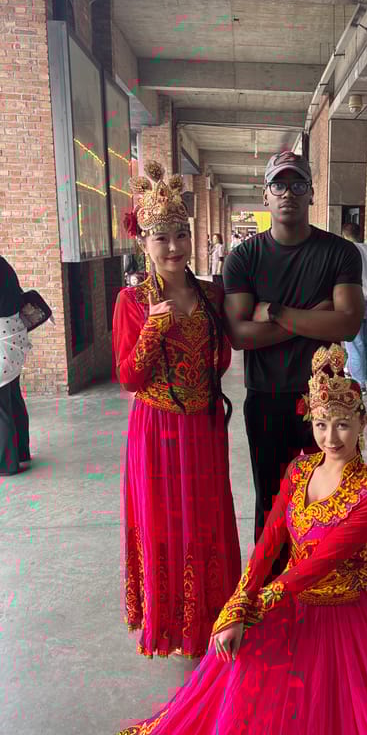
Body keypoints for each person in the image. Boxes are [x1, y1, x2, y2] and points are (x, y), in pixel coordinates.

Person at [115, 345, 367, 735]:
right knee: (237, 664)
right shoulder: (300, 469)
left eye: (343, 425)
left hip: (344, 615)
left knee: (332, 709)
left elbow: (318, 565)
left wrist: (254, 608)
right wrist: (239, 602)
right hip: (292, 598)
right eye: (321, 424)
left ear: (362, 423)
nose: (330, 437)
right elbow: (270, 540)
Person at [113, 161, 241, 659]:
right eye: (161, 238)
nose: (173, 247)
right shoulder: (133, 301)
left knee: (206, 517)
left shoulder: (211, 294)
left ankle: (212, 617)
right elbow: (129, 377)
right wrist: (152, 330)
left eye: (181, 234)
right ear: (143, 243)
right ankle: (170, 624)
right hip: (157, 429)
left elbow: (221, 359)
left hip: (204, 428)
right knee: (164, 521)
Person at [223, 150, 364, 579]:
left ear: (311, 193)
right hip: (266, 398)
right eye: (279, 185)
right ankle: (269, 586)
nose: (288, 193)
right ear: (265, 195)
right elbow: (239, 335)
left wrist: (278, 312)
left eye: (298, 184)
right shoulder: (243, 258)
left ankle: (323, 584)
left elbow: (349, 323)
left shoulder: (339, 253)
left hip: (326, 402)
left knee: (329, 495)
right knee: (271, 499)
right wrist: (312, 318)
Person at [341, 222, 367, 393]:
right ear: (360, 233)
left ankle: (359, 384)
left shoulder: (346, 251)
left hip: (352, 302)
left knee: (354, 345)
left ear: (344, 235)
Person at [0, 256, 32, 475]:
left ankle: (6, 463)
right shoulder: (4, 265)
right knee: (13, 397)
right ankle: (21, 452)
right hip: (14, 340)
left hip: (2, 342)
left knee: (1, 406)